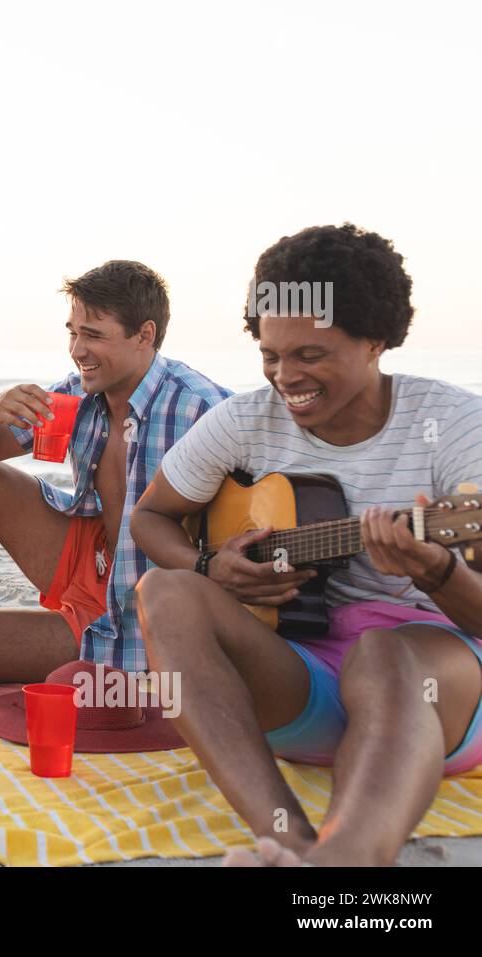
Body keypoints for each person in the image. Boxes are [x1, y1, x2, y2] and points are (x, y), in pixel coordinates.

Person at [130, 223, 482, 866]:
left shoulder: (455, 426)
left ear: (376, 340)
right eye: (270, 354)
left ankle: (344, 863)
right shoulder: (245, 419)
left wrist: (436, 573)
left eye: (310, 356)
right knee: (165, 590)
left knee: (380, 651)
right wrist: (210, 565)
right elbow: (150, 517)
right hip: (305, 685)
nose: (285, 377)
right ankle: (285, 840)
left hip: (435, 691)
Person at [0, 260, 231, 682]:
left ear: (145, 335)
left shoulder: (202, 408)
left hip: (149, 606)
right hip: (92, 563)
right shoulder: (75, 394)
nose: (76, 349)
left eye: (93, 335)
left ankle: (107, 655)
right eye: (72, 332)